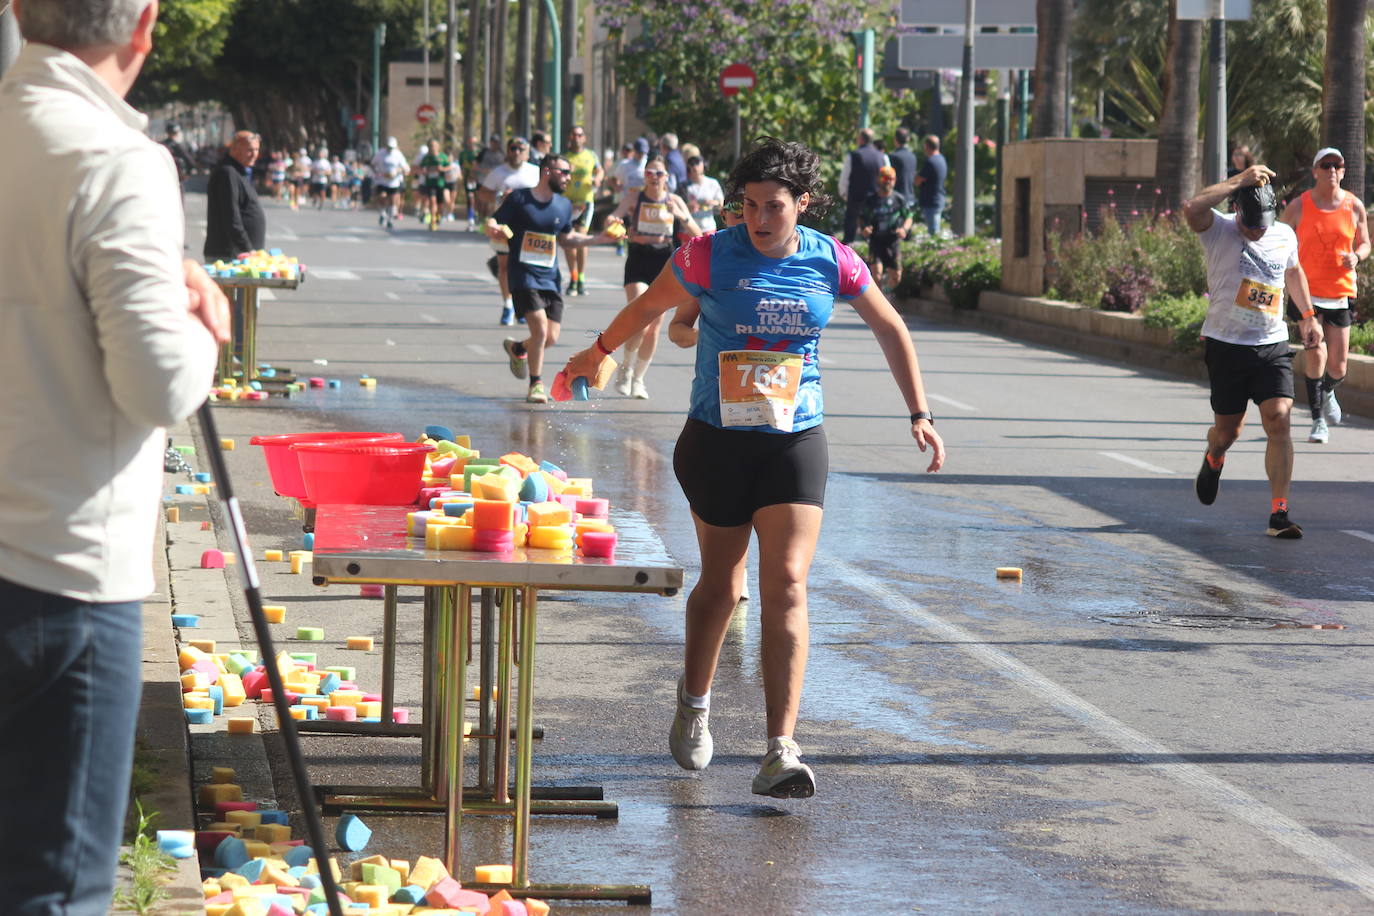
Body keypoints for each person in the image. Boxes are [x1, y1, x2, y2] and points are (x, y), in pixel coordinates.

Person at [560, 137, 945, 799]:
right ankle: (695, 699)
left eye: (774, 206)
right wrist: (595, 354)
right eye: (749, 206)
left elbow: (890, 327)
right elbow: (648, 308)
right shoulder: (709, 254)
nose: (760, 219)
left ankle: (780, 748)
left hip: (794, 438)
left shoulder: (834, 261)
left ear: (803, 205)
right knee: (721, 582)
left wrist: (919, 411)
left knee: (789, 583)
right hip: (717, 438)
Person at [0, 2, 229, 912]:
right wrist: (205, 317)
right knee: (54, 889)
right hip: (66, 582)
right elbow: (161, 384)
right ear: (145, 25)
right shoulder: (117, 159)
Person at [1183, 165, 1321, 538]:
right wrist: (1239, 179)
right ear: (1237, 211)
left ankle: (1279, 514)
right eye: (1251, 224)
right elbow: (1192, 207)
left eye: (1264, 223)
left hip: (1271, 343)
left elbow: (1293, 273)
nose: (1258, 230)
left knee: (1279, 419)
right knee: (1228, 431)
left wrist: (1307, 316)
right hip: (1226, 346)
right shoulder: (1219, 229)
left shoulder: (1283, 235)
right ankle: (1214, 458)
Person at [489, 154, 606, 402]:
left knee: (550, 337)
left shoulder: (562, 205)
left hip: (550, 278)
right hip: (523, 275)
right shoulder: (519, 198)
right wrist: (492, 227)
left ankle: (518, 348)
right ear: (547, 171)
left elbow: (566, 239)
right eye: (564, 172)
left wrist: (598, 239)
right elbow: (493, 220)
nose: (568, 178)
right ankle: (536, 385)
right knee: (540, 331)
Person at [1279, 147, 1370, 444]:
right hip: (1307, 293)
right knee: (1316, 353)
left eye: (1337, 165)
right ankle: (1318, 420)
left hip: (1341, 291)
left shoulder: (1354, 206)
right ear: (1315, 171)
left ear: (1343, 172)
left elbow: (1366, 243)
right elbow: (1278, 236)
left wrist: (1357, 256)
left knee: (1338, 365)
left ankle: (1328, 390)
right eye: (1326, 165)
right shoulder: (1300, 205)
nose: (1332, 170)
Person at [604, 151, 702, 399]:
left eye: (659, 173)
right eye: (649, 173)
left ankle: (638, 378)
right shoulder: (635, 197)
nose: (654, 177)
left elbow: (697, 231)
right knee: (641, 312)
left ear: (667, 177)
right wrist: (613, 223)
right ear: (644, 176)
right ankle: (625, 367)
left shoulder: (674, 200)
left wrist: (681, 216)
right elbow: (613, 215)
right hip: (638, 257)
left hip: (663, 259)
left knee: (655, 324)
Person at [480, 136, 541, 325]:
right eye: (513, 148)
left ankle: (522, 305)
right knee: (505, 267)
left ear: (527, 152)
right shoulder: (499, 173)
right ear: (507, 151)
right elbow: (483, 193)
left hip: (529, 228)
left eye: (520, 149)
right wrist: (500, 195)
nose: (516, 152)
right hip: (504, 226)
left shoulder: (536, 172)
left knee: (527, 269)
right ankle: (508, 305)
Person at [205, 130, 266, 260]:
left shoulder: (239, 171)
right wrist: (247, 248)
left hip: (239, 253)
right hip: (230, 254)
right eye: (249, 150)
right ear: (234, 149)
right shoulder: (227, 173)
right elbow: (231, 215)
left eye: (256, 149)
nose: (254, 154)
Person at [858, 165, 913, 292]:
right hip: (876, 240)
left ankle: (888, 294)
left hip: (893, 241)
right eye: (885, 178)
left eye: (891, 178)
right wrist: (864, 228)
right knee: (876, 274)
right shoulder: (871, 200)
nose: (888, 181)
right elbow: (861, 218)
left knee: (897, 277)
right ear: (879, 180)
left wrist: (904, 229)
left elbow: (909, 217)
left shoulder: (898, 199)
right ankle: (880, 302)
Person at [564, 124, 603, 296]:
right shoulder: (564, 157)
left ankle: (581, 277)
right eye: (573, 135)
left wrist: (597, 180)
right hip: (566, 203)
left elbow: (599, 170)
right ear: (569, 138)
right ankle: (572, 277)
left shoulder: (591, 155)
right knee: (567, 241)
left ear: (584, 138)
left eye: (580, 135)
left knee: (582, 238)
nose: (576, 138)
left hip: (584, 202)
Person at [839, 127, 883, 243]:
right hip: (875, 199)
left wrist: (844, 194)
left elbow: (844, 178)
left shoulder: (853, 156)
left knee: (850, 231)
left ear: (860, 139)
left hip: (855, 197)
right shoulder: (882, 156)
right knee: (872, 230)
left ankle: (849, 255)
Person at [370, 136, 409, 229]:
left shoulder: (398, 154)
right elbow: (373, 164)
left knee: (393, 200)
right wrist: (377, 172)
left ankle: (390, 220)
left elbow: (406, 168)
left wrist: (397, 171)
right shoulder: (380, 153)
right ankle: (382, 214)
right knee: (382, 197)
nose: (390, 149)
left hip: (394, 182)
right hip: (382, 181)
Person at [914, 134, 947, 237]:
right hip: (938, 198)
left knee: (933, 233)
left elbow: (918, 181)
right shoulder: (941, 159)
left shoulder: (931, 162)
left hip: (931, 200)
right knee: (935, 229)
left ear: (927, 146)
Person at [683, 155, 725, 234]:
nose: (694, 166)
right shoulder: (684, 186)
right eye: (691, 164)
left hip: (708, 227)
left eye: (697, 163)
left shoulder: (712, 183)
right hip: (690, 228)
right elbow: (679, 205)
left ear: (704, 165)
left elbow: (722, 203)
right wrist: (688, 207)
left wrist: (712, 202)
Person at [889, 127, 917, 203]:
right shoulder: (913, 156)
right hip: (910, 197)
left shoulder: (894, 156)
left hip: (897, 199)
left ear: (895, 139)